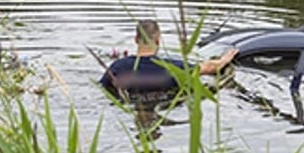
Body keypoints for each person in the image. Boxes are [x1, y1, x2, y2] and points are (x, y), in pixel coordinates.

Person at [100, 19, 237, 95]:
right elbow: (209, 68)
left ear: (136, 39)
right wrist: (224, 59)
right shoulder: (174, 67)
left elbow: (103, 87)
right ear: (158, 40)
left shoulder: (118, 67)